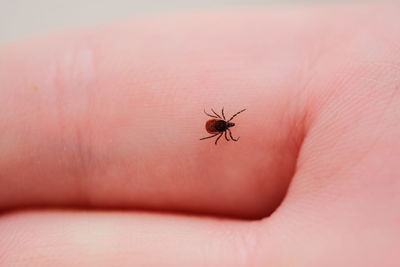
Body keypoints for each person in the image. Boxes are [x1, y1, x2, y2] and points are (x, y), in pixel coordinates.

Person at [0, 4, 399, 266]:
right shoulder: (221, 126)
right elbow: (218, 121)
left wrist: (219, 129)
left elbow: (216, 121)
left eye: (224, 127)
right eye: (225, 125)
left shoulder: (219, 125)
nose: (225, 126)